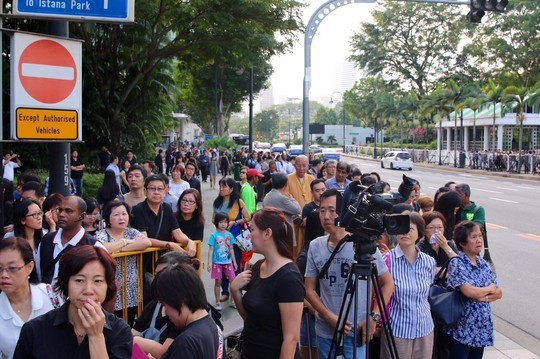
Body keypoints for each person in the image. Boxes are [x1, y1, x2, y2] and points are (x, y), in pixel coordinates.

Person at [305, 189, 394, 358]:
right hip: (325, 332)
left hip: (357, 332)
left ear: (345, 211)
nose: (326, 216)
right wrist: (329, 317)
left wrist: (373, 317)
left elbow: (388, 284)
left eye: (332, 210)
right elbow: (309, 289)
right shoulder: (315, 246)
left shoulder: (364, 245)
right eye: (322, 210)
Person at [14, 245, 133, 358]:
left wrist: (96, 337)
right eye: (79, 280)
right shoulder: (35, 330)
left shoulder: (120, 331)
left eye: (97, 281)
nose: (88, 290)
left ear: (108, 286)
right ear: (66, 283)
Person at [231, 207, 305, 358]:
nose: (248, 235)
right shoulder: (258, 267)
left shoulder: (289, 277)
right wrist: (234, 291)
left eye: (252, 229)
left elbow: (291, 339)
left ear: (267, 233)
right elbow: (251, 319)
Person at [380, 212, 436, 359]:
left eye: (410, 229)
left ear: (419, 233)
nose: (405, 233)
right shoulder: (386, 260)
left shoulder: (429, 262)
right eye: (401, 228)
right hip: (397, 330)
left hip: (425, 329)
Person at [446, 221, 502, 358]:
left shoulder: (482, 263)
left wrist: (483, 297)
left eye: (480, 236)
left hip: (481, 329)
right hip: (463, 329)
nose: (479, 240)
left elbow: (499, 292)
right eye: (473, 237)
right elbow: (469, 292)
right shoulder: (458, 263)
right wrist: (488, 289)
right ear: (462, 243)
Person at [0, 237, 60, 359]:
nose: (4, 275)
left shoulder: (52, 296)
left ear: (29, 267)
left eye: (12, 268)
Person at [132, 252, 198, 358]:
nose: (157, 280)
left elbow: (164, 351)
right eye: (156, 274)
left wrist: (134, 340)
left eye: (162, 274)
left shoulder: (185, 315)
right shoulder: (153, 305)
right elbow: (135, 330)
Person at [95, 200, 151, 324]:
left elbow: (146, 242)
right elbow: (103, 248)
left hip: (131, 285)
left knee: (129, 321)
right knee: (112, 321)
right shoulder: (102, 234)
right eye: (116, 215)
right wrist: (126, 242)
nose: (121, 218)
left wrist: (119, 249)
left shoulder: (132, 232)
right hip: (112, 284)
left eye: (124, 214)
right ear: (108, 218)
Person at [151, 263, 223, 359]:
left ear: (180, 300)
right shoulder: (213, 327)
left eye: (165, 305)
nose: (166, 313)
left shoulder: (185, 343)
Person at [36, 195, 106, 285]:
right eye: (60, 210)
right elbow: (39, 274)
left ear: (82, 216)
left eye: (68, 211)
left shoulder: (94, 247)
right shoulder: (46, 241)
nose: (61, 214)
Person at [131, 175, 196, 256]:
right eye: (152, 188)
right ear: (145, 191)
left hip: (163, 260)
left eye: (160, 189)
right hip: (143, 259)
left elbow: (178, 234)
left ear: (165, 191)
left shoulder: (166, 208)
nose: (156, 192)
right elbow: (144, 239)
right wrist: (168, 244)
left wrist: (189, 241)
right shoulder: (138, 210)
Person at [213, 177, 251, 303]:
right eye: (220, 186)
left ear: (231, 189)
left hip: (234, 240)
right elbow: (213, 219)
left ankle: (236, 293)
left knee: (235, 265)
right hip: (220, 240)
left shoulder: (238, 202)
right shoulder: (217, 203)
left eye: (224, 187)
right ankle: (225, 292)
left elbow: (247, 218)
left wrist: (234, 222)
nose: (221, 189)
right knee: (221, 265)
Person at [207, 213, 237, 311]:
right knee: (218, 282)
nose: (223, 224)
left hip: (228, 263)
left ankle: (233, 300)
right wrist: (210, 263)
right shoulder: (213, 235)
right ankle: (217, 302)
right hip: (217, 263)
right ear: (216, 223)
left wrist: (234, 262)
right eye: (221, 222)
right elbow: (211, 249)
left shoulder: (230, 235)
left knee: (233, 280)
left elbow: (232, 249)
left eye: (225, 222)